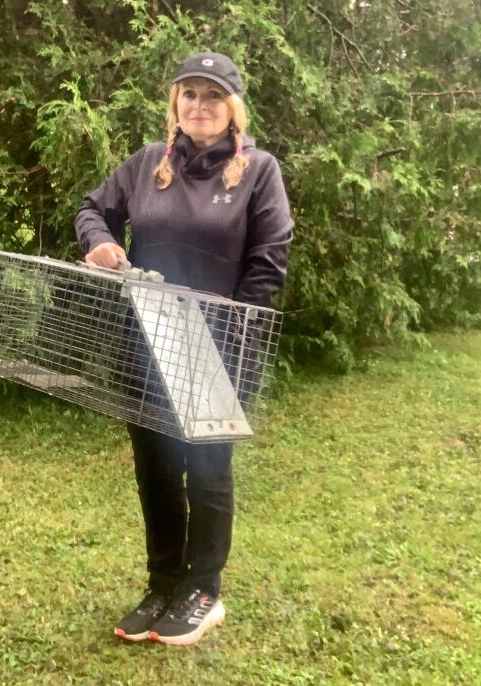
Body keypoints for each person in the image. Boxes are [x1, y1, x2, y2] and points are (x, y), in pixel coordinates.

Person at [74, 51, 293, 646]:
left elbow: (269, 260)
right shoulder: (149, 163)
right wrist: (101, 244)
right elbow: (93, 209)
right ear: (175, 104)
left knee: (207, 470)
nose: (200, 105)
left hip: (218, 348)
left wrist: (229, 333)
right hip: (145, 343)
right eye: (189, 94)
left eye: (213, 95)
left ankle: (203, 590)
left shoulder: (258, 171)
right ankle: (163, 582)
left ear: (233, 108)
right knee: (157, 469)